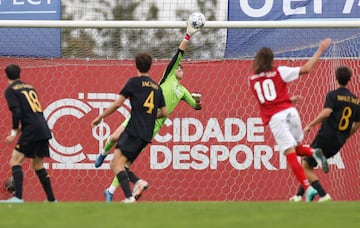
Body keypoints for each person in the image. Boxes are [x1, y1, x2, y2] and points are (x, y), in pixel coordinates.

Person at [94, 21, 202, 202]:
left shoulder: (183, 91)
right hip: (138, 118)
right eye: (179, 67)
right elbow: (178, 55)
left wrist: (198, 101)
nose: (181, 68)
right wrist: (187, 36)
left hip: (151, 126)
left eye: (183, 68)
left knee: (125, 162)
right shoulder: (167, 79)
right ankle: (102, 154)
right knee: (113, 138)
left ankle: (111, 191)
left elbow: (196, 107)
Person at [249, 38, 331, 202]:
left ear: (257, 60)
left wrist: (284, 100)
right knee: (299, 148)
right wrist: (320, 50)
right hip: (291, 113)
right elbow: (307, 69)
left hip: (276, 117)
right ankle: (314, 152)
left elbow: (266, 100)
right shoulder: (281, 71)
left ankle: (308, 189)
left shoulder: (251, 80)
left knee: (290, 154)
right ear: (272, 59)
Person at [91, 53, 168, 203]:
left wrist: (100, 117)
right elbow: (164, 112)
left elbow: (118, 103)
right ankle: (131, 193)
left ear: (136, 65)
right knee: (121, 165)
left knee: (115, 164)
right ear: (150, 66)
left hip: (133, 130)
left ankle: (134, 188)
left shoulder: (134, 82)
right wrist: (150, 116)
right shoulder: (157, 88)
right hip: (146, 135)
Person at [289, 65, 360, 202]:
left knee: (305, 165)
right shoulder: (356, 101)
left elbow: (327, 113)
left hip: (326, 136)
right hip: (338, 141)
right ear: (350, 79)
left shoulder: (333, 95)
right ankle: (298, 196)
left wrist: (310, 124)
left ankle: (323, 195)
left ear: (336, 78)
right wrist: (345, 135)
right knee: (309, 164)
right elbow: (357, 124)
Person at [0, 64, 56, 203]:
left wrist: (14, 132)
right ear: (19, 74)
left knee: (15, 160)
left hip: (31, 130)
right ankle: (51, 200)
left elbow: (17, 112)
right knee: (38, 165)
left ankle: (18, 198)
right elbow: (32, 112)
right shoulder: (30, 88)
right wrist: (20, 129)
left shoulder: (10, 90)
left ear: (6, 75)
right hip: (42, 127)